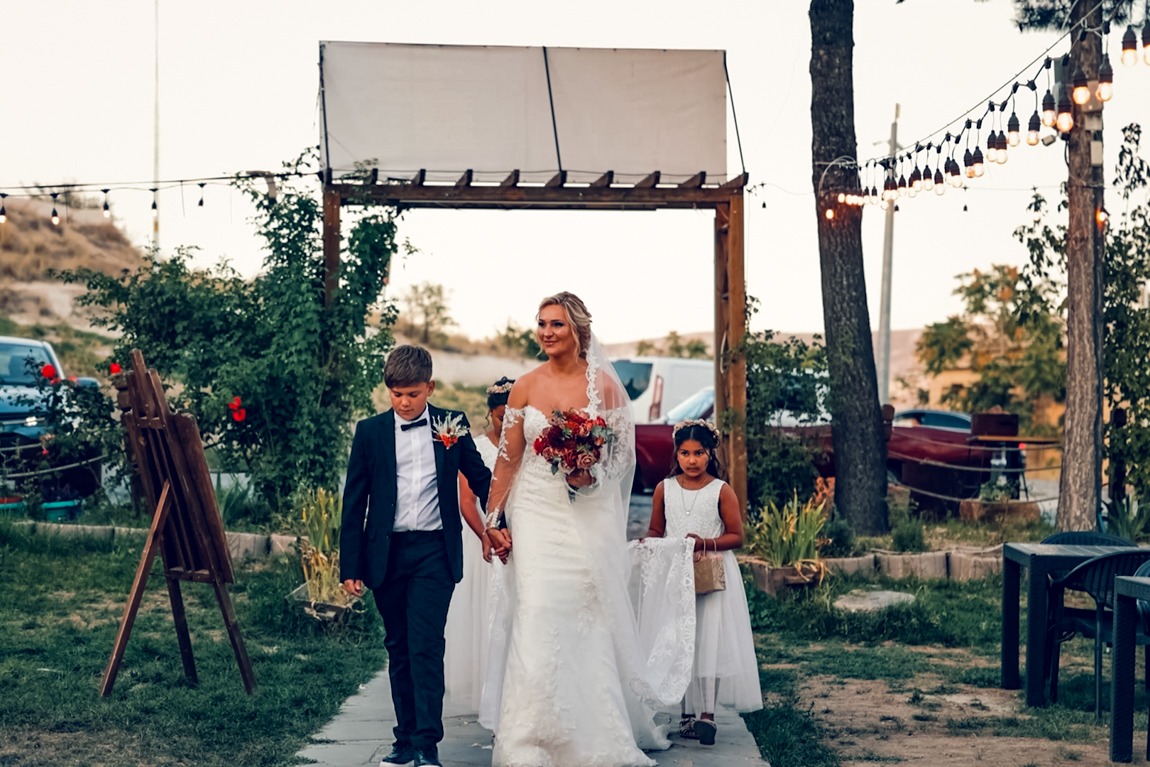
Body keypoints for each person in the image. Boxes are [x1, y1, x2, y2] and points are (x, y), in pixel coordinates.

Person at [480, 292, 696, 767]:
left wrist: (588, 474)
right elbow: (508, 459)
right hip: (534, 511)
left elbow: (620, 461)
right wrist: (492, 521)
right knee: (536, 610)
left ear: (578, 329)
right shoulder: (524, 387)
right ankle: (529, 739)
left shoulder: (607, 390)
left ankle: (594, 732)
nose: (547, 332)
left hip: (586, 515)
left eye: (556, 323)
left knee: (585, 612)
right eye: (542, 323)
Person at [339, 345, 498, 767]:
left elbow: (481, 479)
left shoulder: (452, 425)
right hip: (386, 554)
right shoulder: (370, 432)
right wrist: (350, 565)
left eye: (412, 394)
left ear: (430, 387)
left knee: (425, 645)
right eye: (397, 394)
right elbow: (354, 501)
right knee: (398, 646)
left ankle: (427, 743)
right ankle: (405, 739)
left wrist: (500, 520)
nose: (405, 403)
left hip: (433, 551)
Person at [645, 419, 763, 746]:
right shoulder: (664, 489)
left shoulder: (721, 490)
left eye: (699, 453)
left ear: (710, 453)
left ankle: (707, 714)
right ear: (676, 454)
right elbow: (656, 529)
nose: (692, 460)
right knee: (682, 638)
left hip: (710, 572)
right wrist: (649, 544)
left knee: (708, 639)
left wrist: (705, 543)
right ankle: (686, 714)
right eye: (685, 453)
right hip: (676, 574)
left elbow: (737, 536)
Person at [443, 376, 515, 713]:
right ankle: (489, 687)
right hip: (483, 538)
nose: (508, 424)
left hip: (518, 534)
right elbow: (467, 502)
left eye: (514, 418)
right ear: (490, 414)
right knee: (489, 610)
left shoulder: (527, 448)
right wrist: (486, 533)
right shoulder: (476, 446)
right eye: (502, 418)